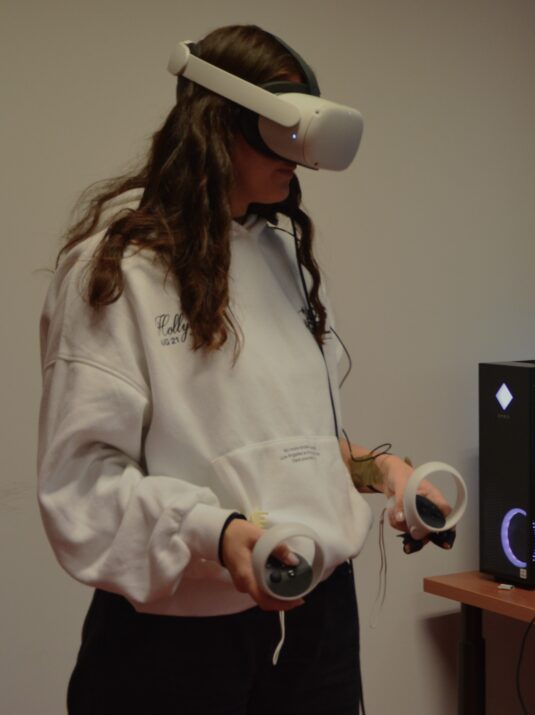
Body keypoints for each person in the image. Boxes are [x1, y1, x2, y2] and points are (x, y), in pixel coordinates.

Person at [37, 24, 447, 715]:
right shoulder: (118, 272)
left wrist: (386, 472)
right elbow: (83, 487)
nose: (302, 157)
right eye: (287, 129)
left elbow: (289, 448)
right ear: (218, 121)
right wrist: (217, 532)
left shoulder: (280, 259)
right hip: (179, 646)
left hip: (316, 622)